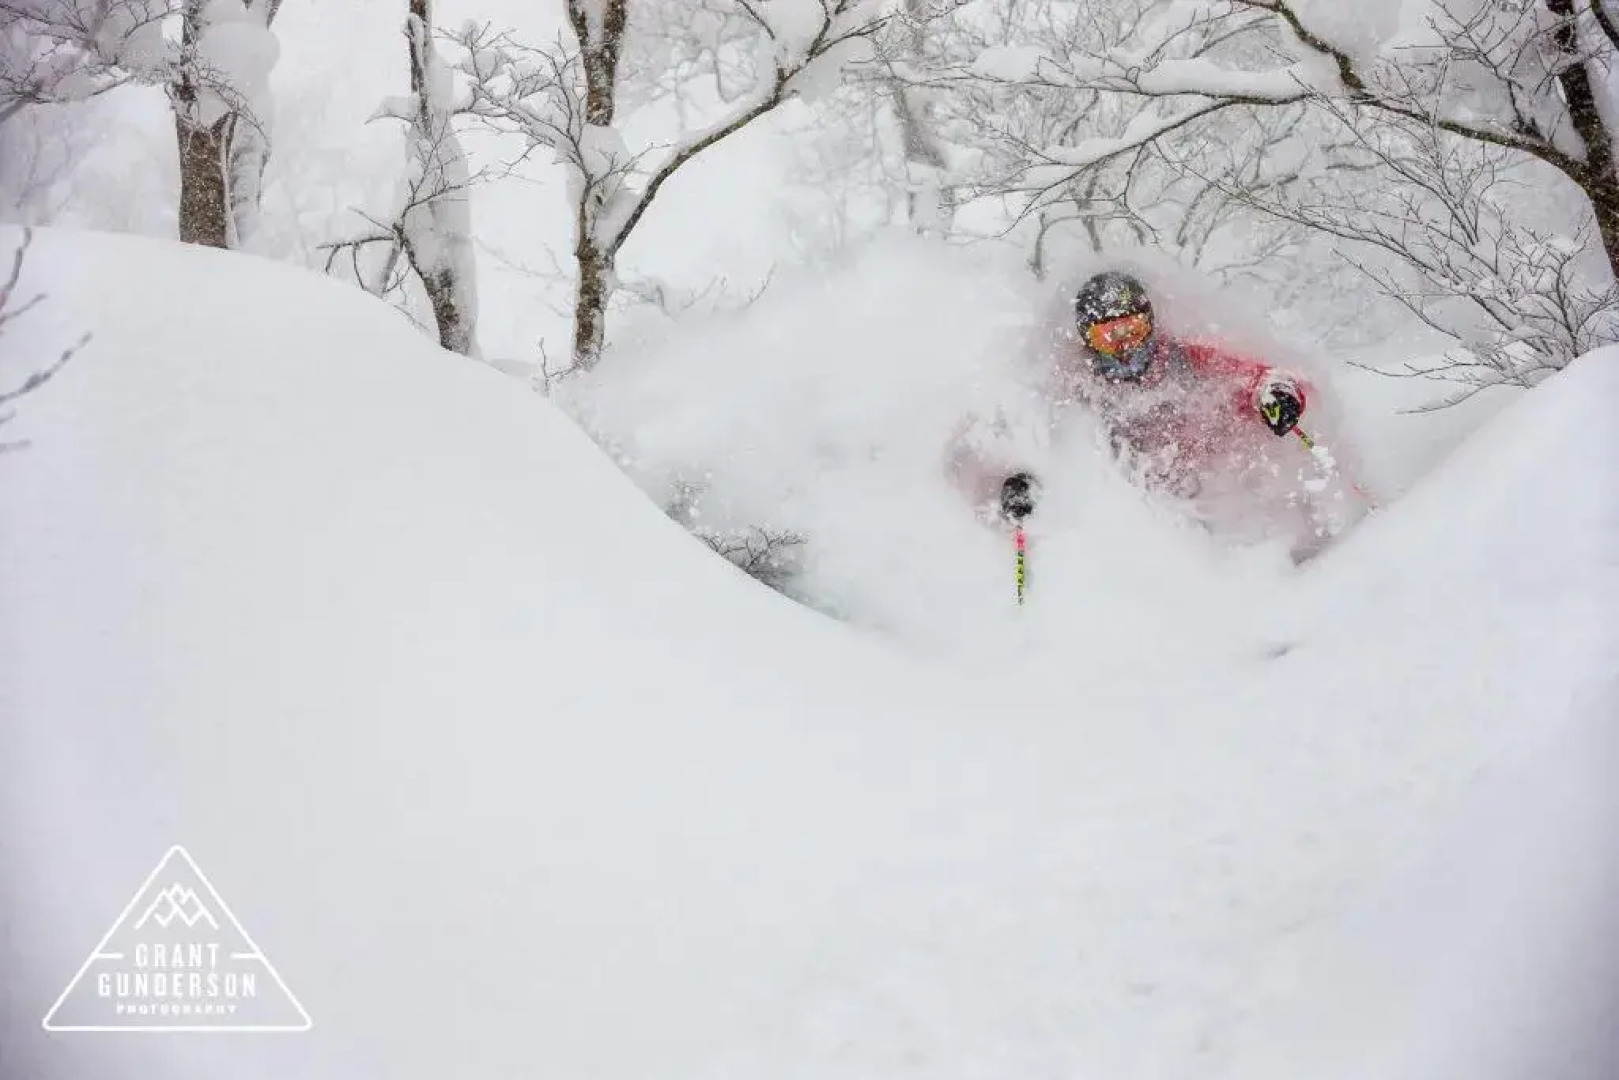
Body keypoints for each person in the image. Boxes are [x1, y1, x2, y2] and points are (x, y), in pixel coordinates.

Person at [950, 270, 1331, 549]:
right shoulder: (1072, 384)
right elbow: (1014, 435)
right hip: (1136, 524)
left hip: (1217, 504)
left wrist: (1277, 393)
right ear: (1088, 339)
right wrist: (1014, 480)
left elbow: (1259, 378)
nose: (1126, 346)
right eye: (1109, 336)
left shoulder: (1189, 360)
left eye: (1133, 329)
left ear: (1151, 323)